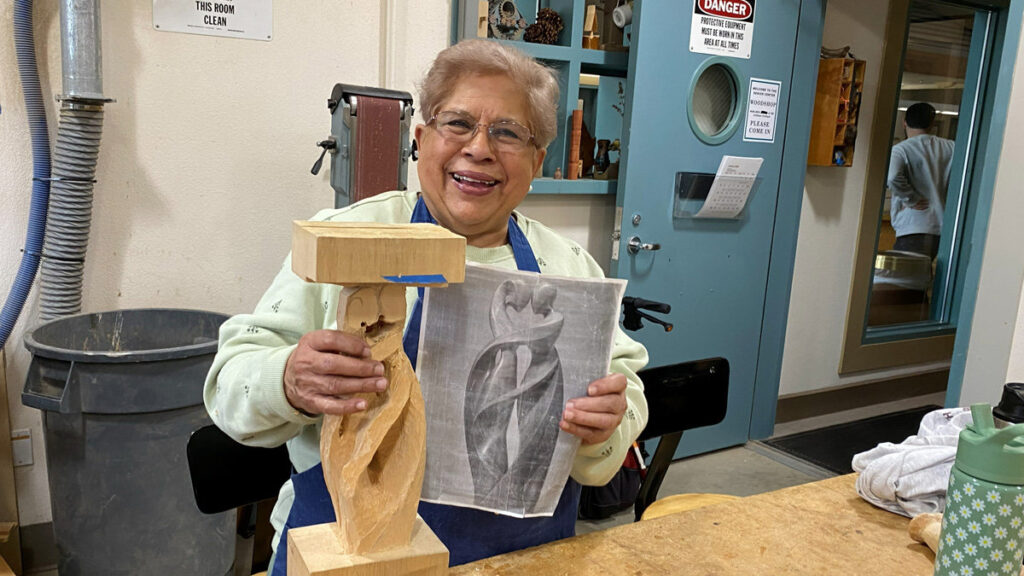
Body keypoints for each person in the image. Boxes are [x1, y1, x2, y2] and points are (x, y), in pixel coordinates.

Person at [203, 39, 649, 575]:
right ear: (421, 140)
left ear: (536, 161)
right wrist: (288, 380)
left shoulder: (569, 267)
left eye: (507, 132)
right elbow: (229, 381)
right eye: (457, 123)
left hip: (525, 558)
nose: (479, 148)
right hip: (348, 556)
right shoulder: (350, 237)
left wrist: (610, 420)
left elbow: (627, 383)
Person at [886, 102, 955, 259]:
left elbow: (892, 176)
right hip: (943, 226)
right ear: (931, 124)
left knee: (907, 279)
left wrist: (911, 199)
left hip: (913, 227)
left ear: (904, 122)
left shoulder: (901, 150)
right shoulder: (951, 147)